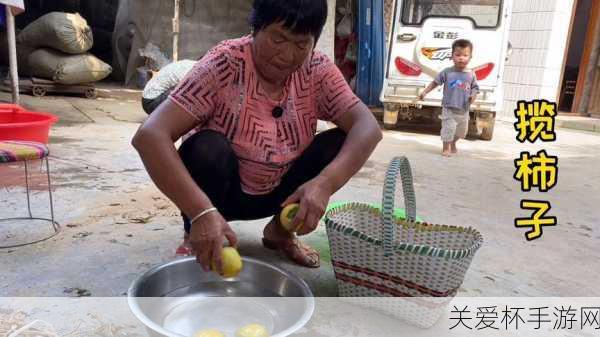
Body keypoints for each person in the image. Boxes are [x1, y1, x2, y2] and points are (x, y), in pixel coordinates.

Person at [132, 0, 382, 272]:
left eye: (301, 45)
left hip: (282, 194)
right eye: (278, 38)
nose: (287, 56)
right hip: (220, 194)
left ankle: (281, 230)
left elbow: (367, 127)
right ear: (255, 27)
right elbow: (149, 136)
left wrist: (325, 183)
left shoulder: (317, 70)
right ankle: (198, 230)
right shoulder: (225, 63)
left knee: (341, 141)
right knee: (207, 148)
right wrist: (201, 211)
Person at [418, 39, 479, 157]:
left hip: (464, 110)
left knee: (462, 133)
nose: (461, 58)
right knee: (448, 129)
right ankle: (446, 148)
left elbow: (475, 88)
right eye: (458, 55)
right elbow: (435, 82)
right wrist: (425, 92)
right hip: (449, 108)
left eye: (465, 55)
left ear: (470, 57)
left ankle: (453, 142)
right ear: (452, 56)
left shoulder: (471, 74)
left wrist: (473, 96)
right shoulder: (447, 72)